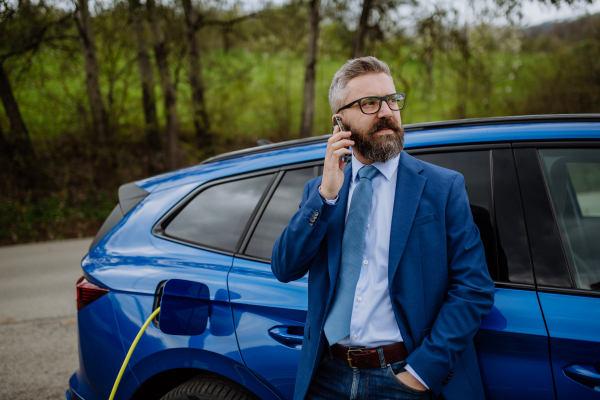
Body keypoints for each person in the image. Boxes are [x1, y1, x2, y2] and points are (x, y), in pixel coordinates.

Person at [271, 56, 494, 400]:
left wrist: (422, 373)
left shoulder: (441, 187)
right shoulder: (322, 191)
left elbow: (474, 287)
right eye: (369, 103)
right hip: (327, 375)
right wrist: (326, 195)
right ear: (339, 122)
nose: (387, 111)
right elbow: (285, 267)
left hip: (406, 379)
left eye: (392, 100)